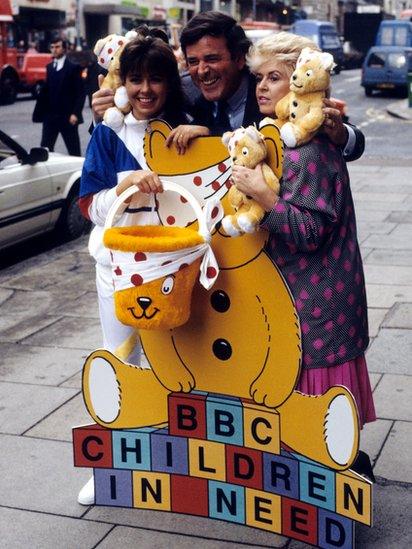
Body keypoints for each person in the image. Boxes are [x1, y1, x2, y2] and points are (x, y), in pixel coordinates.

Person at [232, 31, 376, 447]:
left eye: (274, 78)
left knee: (318, 429)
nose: (261, 86)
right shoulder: (278, 137)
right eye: (259, 77)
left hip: (316, 305)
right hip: (306, 297)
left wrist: (262, 194)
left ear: (301, 83)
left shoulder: (308, 150)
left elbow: (310, 232)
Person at [77, 33, 191, 505]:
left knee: (182, 361)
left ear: (170, 83)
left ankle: (178, 454)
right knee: (122, 356)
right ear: (122, 83)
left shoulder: (186, 126)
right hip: (119, 266)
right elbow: (88, 202)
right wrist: (128, 186)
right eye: (136, 78)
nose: (146, 89)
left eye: (156, 78)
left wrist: (199, 135)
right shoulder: (108, 132)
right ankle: (113, 462)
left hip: (178, 266)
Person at [32, 38, 85, 156]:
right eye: (52, 47)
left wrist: (75, 113)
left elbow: (80, 93)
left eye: (57, 47)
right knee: (45, 149)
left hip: (68, 117)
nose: (54, 50)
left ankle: (78, 173)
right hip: (50, 117)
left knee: (74, 151)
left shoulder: (73, 67)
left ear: (64, 49)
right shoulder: (49, 67)